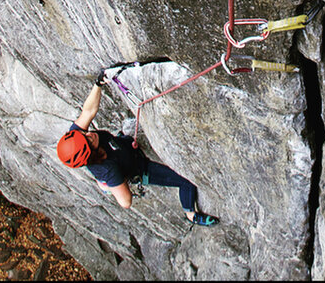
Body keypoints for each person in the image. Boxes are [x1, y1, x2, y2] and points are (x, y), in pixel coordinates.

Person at [56, 75, 218, 226]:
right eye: (89, 140)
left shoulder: (77, 138)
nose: (90, 134)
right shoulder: (108, 170)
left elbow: (88, 111)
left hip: (125, 146)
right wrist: (117, 183)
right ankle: (191, 214)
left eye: (85, 134)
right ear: (90, 153)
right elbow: (125, 202)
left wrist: (98, 84)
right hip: (140, 168)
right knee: (186, 180)